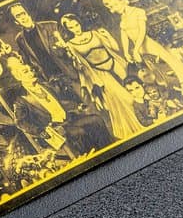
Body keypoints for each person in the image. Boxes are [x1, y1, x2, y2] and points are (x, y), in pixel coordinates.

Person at [55, 12, 143, 141]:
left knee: (134, 92)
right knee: (124, 98)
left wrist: (107, 35)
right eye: (71, 27)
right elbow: (79, 67)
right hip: (100, 73)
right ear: (68, 30)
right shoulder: (71, 45)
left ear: (79, 23)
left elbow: (114, 48)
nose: (76, 28)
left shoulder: (94, 33)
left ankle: (144, 121)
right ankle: (131, 129)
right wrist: (70, 54)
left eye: (76, 24)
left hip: (115, 66)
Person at [103, 0, 183, 107]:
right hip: (142, 52)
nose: (115, 8)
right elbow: (125, 37)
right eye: (112, 6)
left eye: (116, 4)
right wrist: (127, 52)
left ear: (121, 0)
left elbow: (142, 32)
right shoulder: (123, 19)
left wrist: (136, 49)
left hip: (149, 47)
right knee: (161, 79)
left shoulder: (138, 12)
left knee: (172, 74)